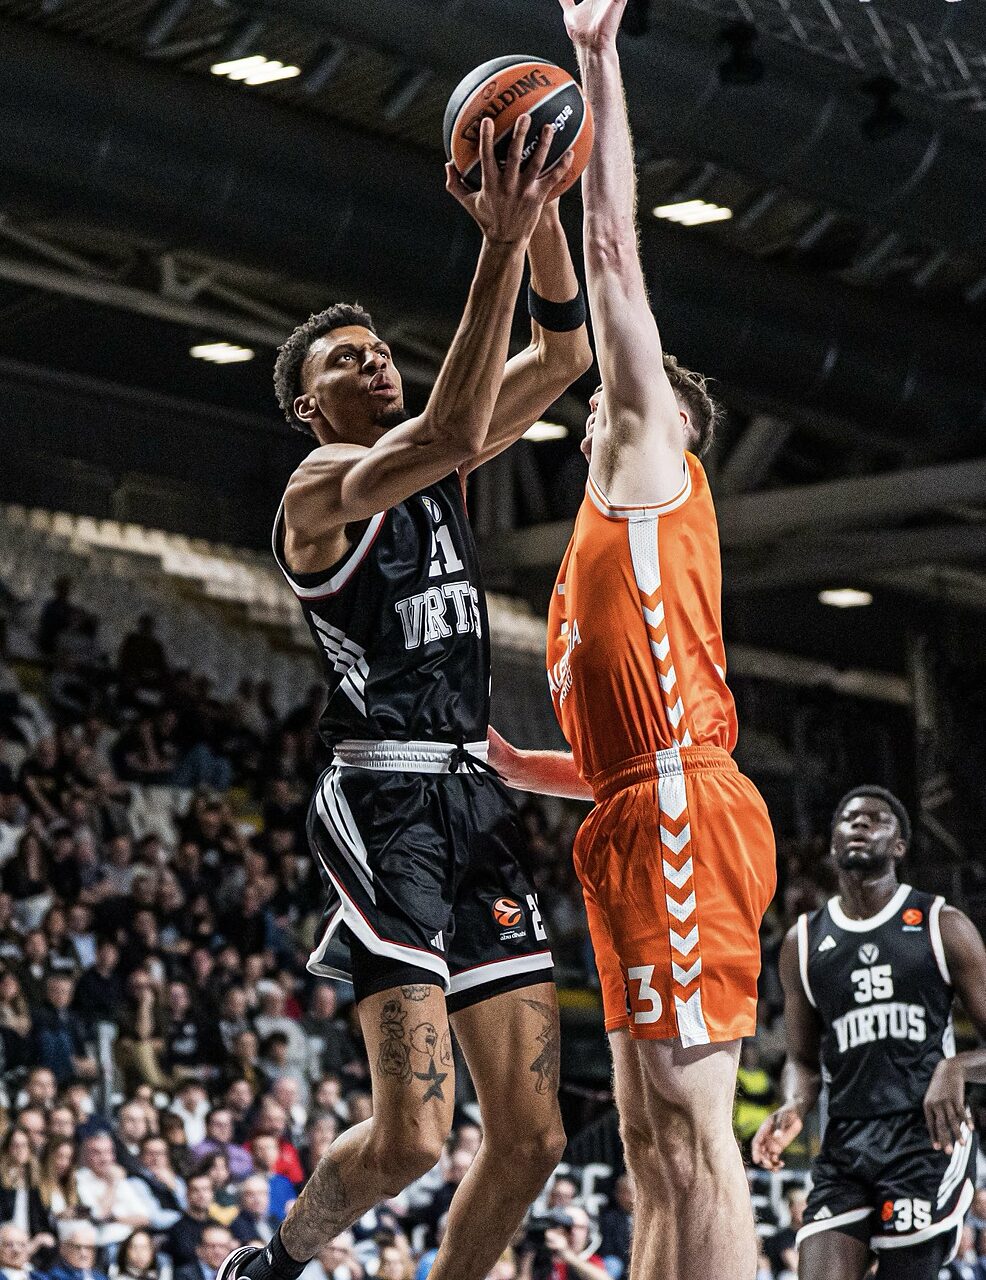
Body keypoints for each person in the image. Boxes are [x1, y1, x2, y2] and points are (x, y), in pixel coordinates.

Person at [216, 111, 590, 1280]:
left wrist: (542, 219)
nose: (373, 359)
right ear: (307, 407)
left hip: (469, 801)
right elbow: (453, 423)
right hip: (381, 800)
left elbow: (565, 355)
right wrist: (499, 230)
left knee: (530, 1138)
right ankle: (273, 1262)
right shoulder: (319, 488)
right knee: (416, 1137)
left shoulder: (436, 454)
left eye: (380, 347)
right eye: (345, 360)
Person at [487, 3, 777, 1278]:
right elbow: (604, 752)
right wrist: (515, 762)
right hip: (625, 813)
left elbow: (613, 252)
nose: (605, 387)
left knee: (699, 1135)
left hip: (679, 815)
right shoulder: (587, 554)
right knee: (651, 1141)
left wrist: (598, 61)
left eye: (621, 381)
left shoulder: (651, 461)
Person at [752, 787, 986, 1279]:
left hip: (925, 1141)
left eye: (876, 820)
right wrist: (795, 1105)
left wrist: (955, 1066)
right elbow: (802, 1060)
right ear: (832, 841)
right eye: (848, 818)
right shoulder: (803, 941)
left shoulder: (942, 924)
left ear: (899, 845)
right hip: (845, 1143)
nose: (860, 825)